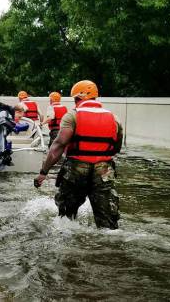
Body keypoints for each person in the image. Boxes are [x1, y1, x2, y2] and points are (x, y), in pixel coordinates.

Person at [34, 80, 124, 229]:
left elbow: (58, 146)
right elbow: (116, 148)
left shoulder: (72, 116)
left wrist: (43, 172)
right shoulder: (114, 118)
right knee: (108, 222)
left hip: (77, 168)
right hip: (104, 170)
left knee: (66, 218)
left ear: (78, 98)